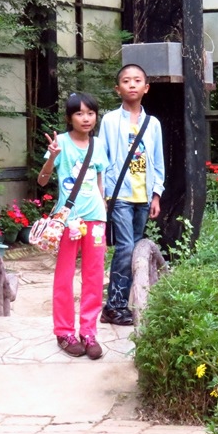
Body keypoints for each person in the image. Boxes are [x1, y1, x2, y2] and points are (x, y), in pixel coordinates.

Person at [37, 92, 110, 360]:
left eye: (90, 113)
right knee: (65, 276)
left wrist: (104, 211)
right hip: (68, 220)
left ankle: (89, 332)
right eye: (79, 113)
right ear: (70, 117)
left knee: (94, 277)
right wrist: (51, 157)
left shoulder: (99, 144)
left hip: (96, 220)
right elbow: (42, 182)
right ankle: (65, 332)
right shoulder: (61, 144)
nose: (86, 118)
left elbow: (100, 180)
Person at [99, 64, 165, 326]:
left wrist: (157, 194)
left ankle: (122, 302)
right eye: (126, 81)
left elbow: (158, 162)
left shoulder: (153, 124)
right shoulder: (109, 120)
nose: (132, 85)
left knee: (135, 248)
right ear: (118, 89)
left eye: (138, 80)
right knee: (125, 247)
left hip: (144, 196)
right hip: (120, 194)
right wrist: (103, 194)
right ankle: (114, 306)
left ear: (146, 88)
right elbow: (101, 159)